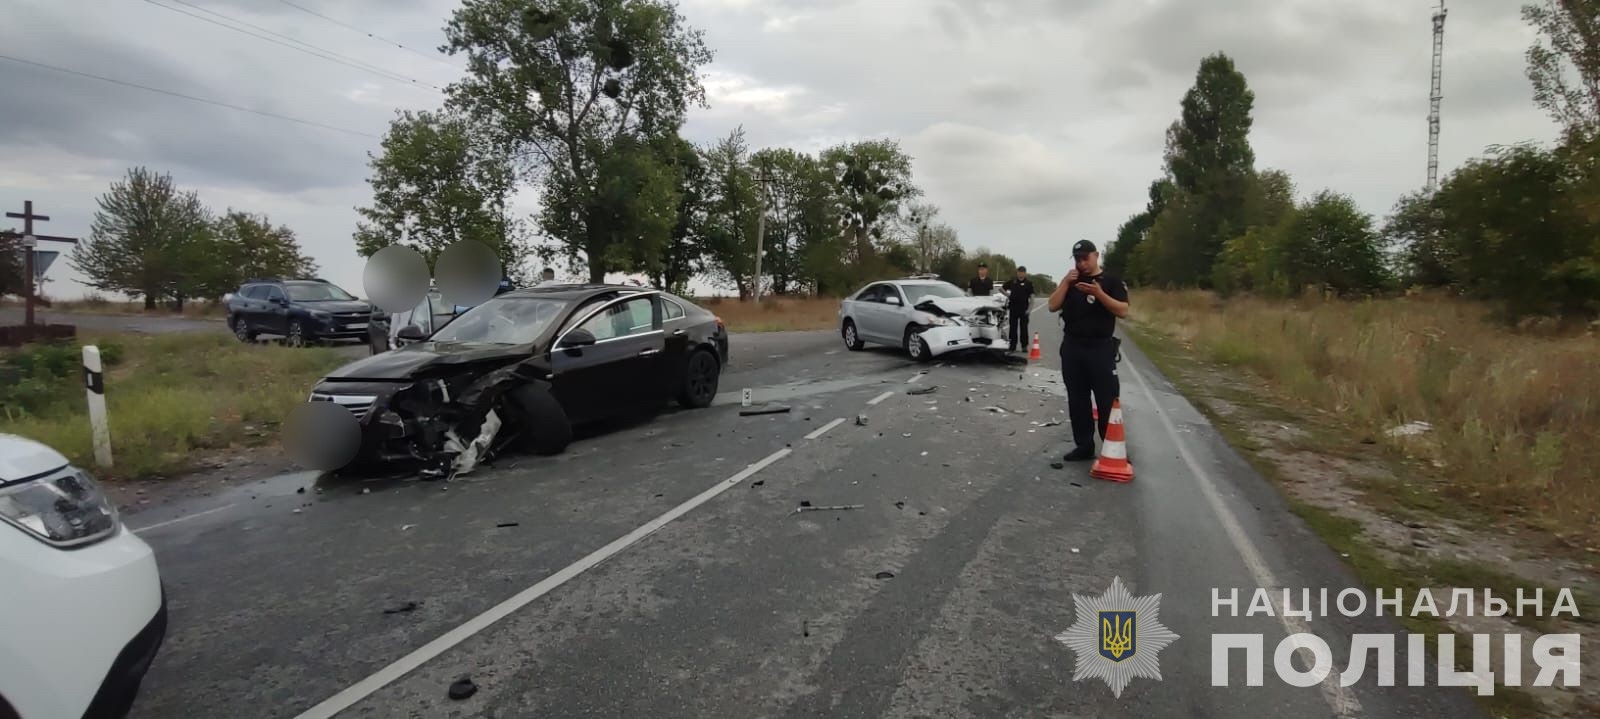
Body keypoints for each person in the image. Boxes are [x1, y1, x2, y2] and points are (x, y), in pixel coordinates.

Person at [1047, 240, 1130, 461]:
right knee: (1077, 399)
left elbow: (1123, 311)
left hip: (1100, 348)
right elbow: (1052, 305)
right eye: (1077, 259)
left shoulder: (1111, 281)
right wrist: (1065, 282)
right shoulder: (1072, 281)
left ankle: (1111, 447)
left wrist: (1099, 293)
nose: (1082, 263)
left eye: (1086, 258)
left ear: (1096, 255)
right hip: (1073, 347)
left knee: (1107, 399)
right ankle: (1084, 445)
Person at [1001, 266, 1035, 352]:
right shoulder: (1013, 282)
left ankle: (1024, 346)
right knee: (1013, 328)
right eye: (1019, 272)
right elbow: (1001, 288)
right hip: (1013, 308)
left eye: (1022, 272)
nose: (1021, 273)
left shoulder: (1028, 283)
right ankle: (1012, 345)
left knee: (1024, 328)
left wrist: (1029, 310)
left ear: (1025, 273)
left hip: (1024, 309)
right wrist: (1008, 295)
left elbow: (1032, 297)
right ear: (1017, 273)